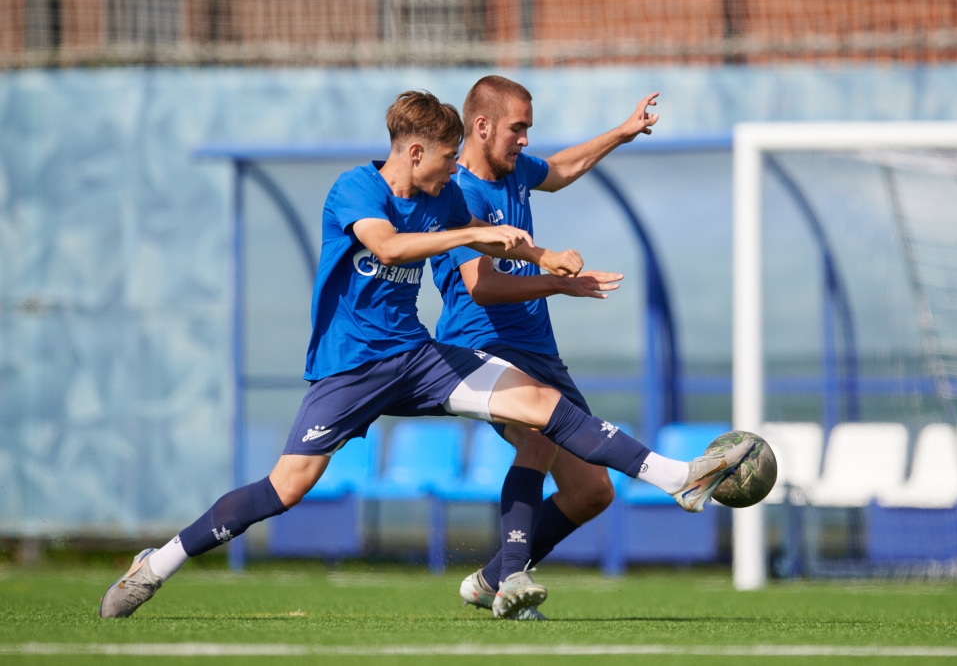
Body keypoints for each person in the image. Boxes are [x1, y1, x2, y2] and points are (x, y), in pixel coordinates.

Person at [99, 90, 754, 620]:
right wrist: (474, 235)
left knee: (538, 405)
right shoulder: (357, 190)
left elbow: (498, 236)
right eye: (445, 160)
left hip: (415, 359)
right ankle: (156, 565)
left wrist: (540, 256)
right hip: (348, 370)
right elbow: (386, 248)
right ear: (414, 153)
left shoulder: (445, 196)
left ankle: (676, 478)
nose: (453, 171)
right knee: (285, 489)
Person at [430, 76, 660, 620]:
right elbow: (481, 284)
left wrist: (622, 133)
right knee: (534, 436)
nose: (526, 140)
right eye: (518, 128)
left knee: (591, 492)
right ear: (481, 126)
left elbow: (558, 170)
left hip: (539, 352)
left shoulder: (514, 173)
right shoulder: (454, 192)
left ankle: (490, 576)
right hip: (481, 348)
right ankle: (512, 581)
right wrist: (556, 279)